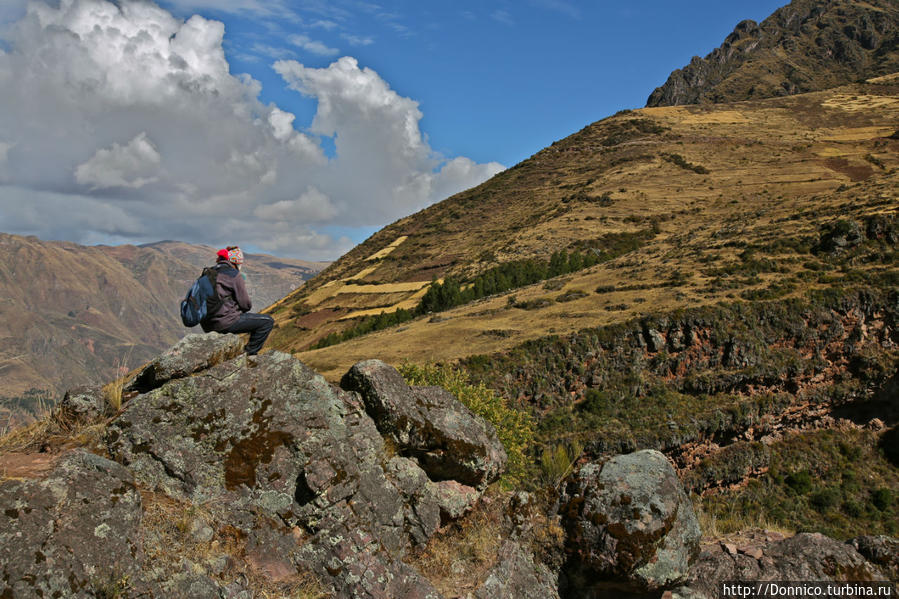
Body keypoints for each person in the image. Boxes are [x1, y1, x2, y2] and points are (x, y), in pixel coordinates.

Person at [201, 245, 274, 356]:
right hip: (224, 322)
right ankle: (248, 355)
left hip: (207, 324)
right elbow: (246, 304)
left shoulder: (207, 273)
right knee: (267, 322)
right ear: (236, 263)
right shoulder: (234, 275)